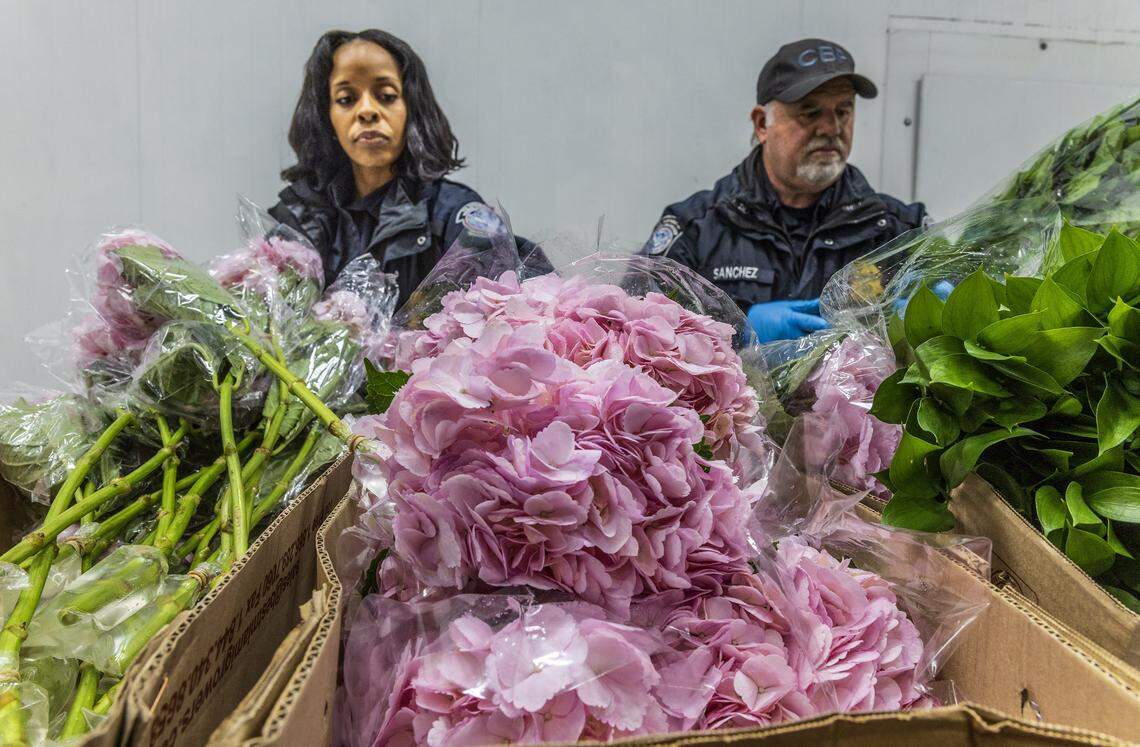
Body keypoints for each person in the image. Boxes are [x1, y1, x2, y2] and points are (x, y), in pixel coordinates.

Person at [641, 38, 926, 343]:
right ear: (762, 124)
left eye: (843, 111)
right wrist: (740, 327)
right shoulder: (697, 228)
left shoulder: (897, 230)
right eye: (811, 112)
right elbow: (639, 327)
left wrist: (935, 311)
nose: (831, 128)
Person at [270, 29, 534, 308]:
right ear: (326, 117)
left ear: (411, 109)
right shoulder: (301, 218)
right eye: (346, 99)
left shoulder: (455, 215)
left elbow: (510, 313)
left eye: (385, 95)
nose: (367, 111)